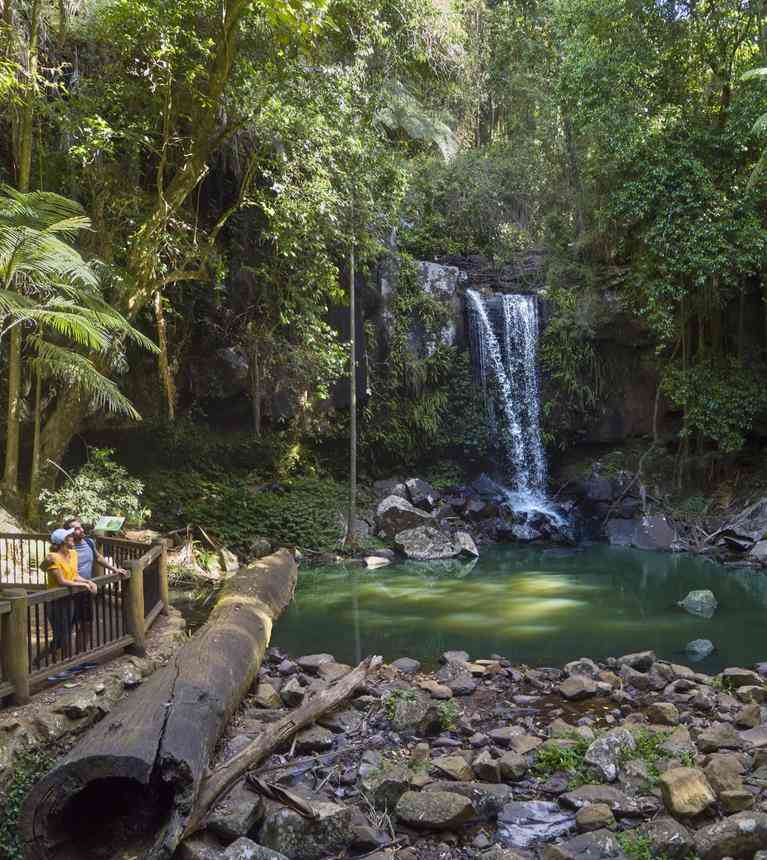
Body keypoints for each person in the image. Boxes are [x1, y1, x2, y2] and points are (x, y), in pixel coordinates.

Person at [36, 528, 97, 666]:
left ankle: (62, 663)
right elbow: (61, 581)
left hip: (68, 599)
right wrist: (84, 586)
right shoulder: (53, 557)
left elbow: (74, 575)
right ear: (63, 541)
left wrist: (88, 581)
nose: (72, 537)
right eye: (69, 536)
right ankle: (51, 663)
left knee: (65, 634)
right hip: (56, 601)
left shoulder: (73, 554)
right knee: (62, 637)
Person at [63, 517, 128, 643]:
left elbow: (98, 558)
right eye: (76, 529)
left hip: (85, 589)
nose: (81, 530)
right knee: (66, 630)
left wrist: (115, 569)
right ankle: (58, 659)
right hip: (68, 591)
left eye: (80, 527)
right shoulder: (66, 547)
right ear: (69, 533)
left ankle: (80, 657)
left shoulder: (89, 542)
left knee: (86, 625)